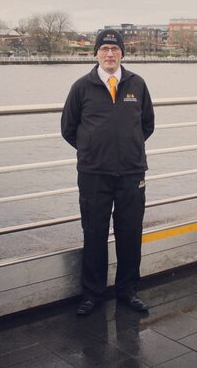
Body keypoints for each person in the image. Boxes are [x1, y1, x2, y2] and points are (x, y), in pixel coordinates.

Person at [61, 29, 155, 315]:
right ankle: (93, 294)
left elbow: (147, 125)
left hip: (131, 173)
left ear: (123, 53)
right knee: (94, 233)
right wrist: (92, 151)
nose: (110, 54)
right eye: (104, 49)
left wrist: (128, 149)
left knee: (130, 233)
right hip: (94, 174)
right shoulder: (82, 87)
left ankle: (128, 291)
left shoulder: (137, 84)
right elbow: (68, 128)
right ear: (96, 54)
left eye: (115, 49)